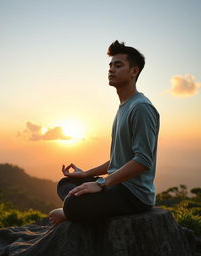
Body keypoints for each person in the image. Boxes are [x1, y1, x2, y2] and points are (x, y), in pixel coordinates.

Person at [49, 40, 160, 225]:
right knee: (65, 184)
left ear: (134, 71)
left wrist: (100, 184)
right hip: (117, 185)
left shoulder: (141, 107)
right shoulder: (124, 107)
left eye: (118, 65)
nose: (111, 69)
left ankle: (70, 211)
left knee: (72, 204)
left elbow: (143, 161)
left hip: (134, 194)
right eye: (110, 65)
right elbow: (120, 159)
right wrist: (86, 175)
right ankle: (77, 207)